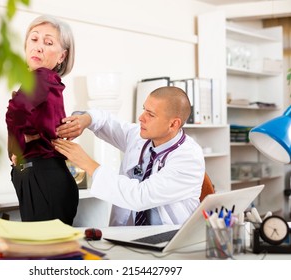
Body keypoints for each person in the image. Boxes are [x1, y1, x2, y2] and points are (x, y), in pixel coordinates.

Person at [52, 86, 205, 226]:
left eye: (150, 114)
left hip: (171, 238)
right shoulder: (139, 137)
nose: (141, 117)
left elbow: (140, 197)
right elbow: (105, 121)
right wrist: (86, 120)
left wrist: (87, 163)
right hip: (130, 235)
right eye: (144, 109)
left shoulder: (189, 158)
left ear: (173, 124)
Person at [5, 15, 78, 225]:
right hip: (43, 176)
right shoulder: (42, 81)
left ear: (62, 56)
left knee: (44, 253)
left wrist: (16, 147)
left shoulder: (42, 77)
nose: (38, 47)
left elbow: (15, 112)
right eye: (34, 39)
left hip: (42, 177)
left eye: (48, 43)